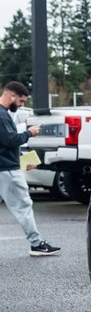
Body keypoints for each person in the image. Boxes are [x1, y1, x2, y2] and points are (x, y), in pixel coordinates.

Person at [0, 81, 60, 256]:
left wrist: (23, 160)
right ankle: (36, 244)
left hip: (4, 167)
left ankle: (36, 243)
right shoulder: (2, 116)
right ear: (12, 96)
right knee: (24, 205)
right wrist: (29, 133)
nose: (21, 105)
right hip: (7, 171)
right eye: (21, 101)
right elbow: (10, 141)